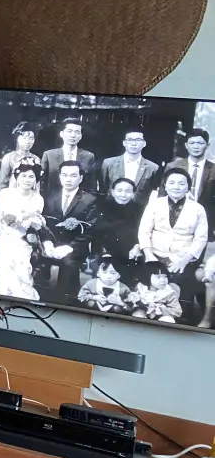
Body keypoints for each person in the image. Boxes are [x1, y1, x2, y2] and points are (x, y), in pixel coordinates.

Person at [137, 167, 208, 318]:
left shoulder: (197, 209)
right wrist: (149, 255)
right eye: (172, 183)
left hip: (182, 259)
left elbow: (201, 238)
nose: (176, 187)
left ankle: (180, 319)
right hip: (154, 255)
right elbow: (144, 231)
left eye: (181, 183)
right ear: (165, 185)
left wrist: (184, 260)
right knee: (146, 291)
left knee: (183, 290)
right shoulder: (155, 204)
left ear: (188, 187)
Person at [38, 160, 99, 298]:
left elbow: (90, 230)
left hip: (74, 247)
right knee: (36, 257)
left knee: (69, 263)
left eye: (73, 175)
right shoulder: (49, 196)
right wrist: (47, 243)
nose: (68, 179)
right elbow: (43, 223)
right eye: (64, 175)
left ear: (81, 178)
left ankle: (65, 301)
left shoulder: (89, 200)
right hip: (50, 243)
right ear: (59, 177)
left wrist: (67, 248)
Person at [0, 157, 46, 300]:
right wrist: (5, 233)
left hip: (24, 239)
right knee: (6, 257)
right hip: (3, 236)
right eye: (24, 176)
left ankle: (20, 297)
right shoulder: (4, 194)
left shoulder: (38, 199)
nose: (27, 180)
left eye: (31, 177)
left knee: (20, 259)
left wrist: (30, 224)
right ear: (17, 176)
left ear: (36, 179)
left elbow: (35, 226)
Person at [91, 177, 146, 269]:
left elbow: (142, 231)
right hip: (104, 251)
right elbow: (96, 232)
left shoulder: (139, 209)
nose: (123, 195)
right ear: (112, 192)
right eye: (119, 191)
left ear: (133, 194)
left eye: (128, 191)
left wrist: (137, 246)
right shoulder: (102, 206)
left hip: (130, 252)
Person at [98, 129, 159, 202]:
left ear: (144, 143)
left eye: (138, 140)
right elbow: (103, 189)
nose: (133, 143)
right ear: (124, 143)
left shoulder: (153, 167)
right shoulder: (109, 163)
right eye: (130, 140)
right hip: (111, 208)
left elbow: (153, 192)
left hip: (139, 210)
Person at [41, 118, 97, 193]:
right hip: (53, 200)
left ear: (80, 136)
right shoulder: (49, 155)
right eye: (69, 131)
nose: (73, 135)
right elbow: (42, 183)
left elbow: (91, 185)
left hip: (79, 202)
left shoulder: (89, 156)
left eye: (77, 132)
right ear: (61, 134)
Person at [0, 122, 40, 191]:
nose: (28, 141)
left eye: (31, 138)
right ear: (17, 139)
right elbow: (2, 183)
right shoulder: (9, 157)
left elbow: (37, 184)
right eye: (24, 138)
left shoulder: (36, 159)